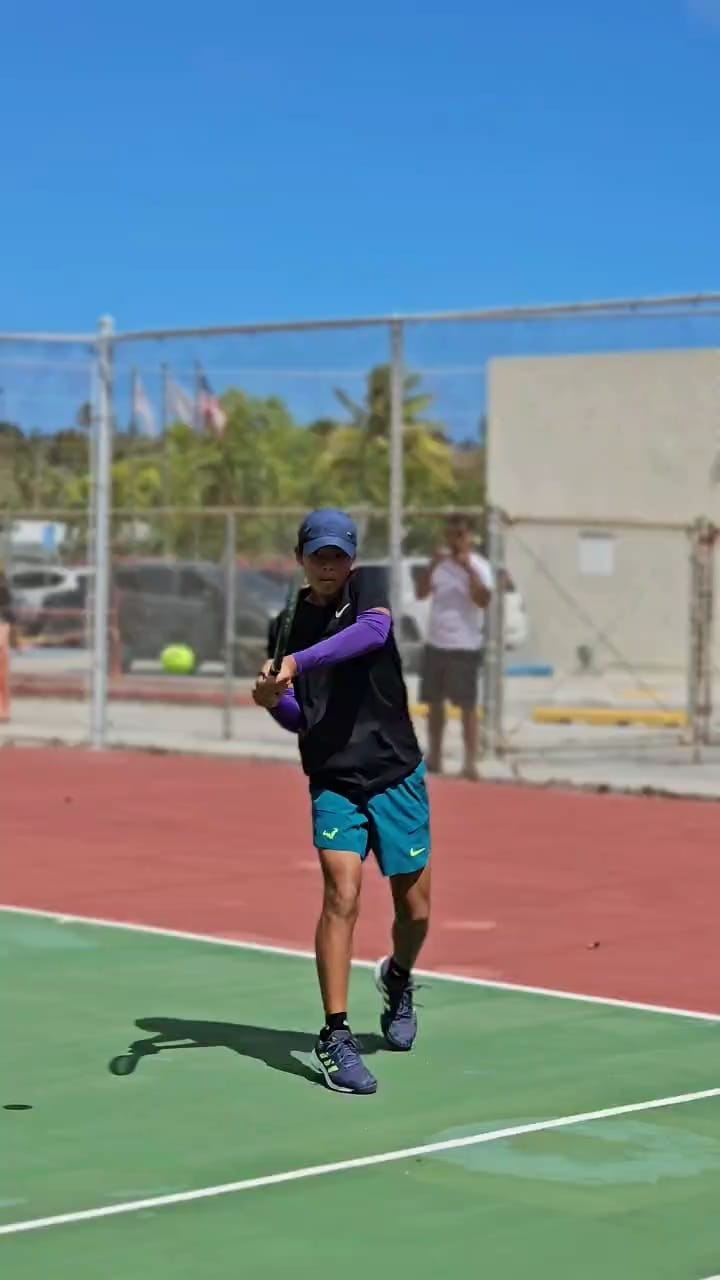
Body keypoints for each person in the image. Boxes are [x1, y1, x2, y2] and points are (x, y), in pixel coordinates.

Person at [252, 509, 431, 1096]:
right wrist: (271, 699)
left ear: (351, 559)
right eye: (317, 555)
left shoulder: (369, 590)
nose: (328, 565)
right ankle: (336, 1034)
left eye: (337, 555)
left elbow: (372, 635)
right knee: (341, 892)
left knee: (416, 910)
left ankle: (398, 977)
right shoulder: (284, 623)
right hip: (333, 777)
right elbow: (303, 716)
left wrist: (298, 662)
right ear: (300, 557)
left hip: (394, 771)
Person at [415, 514, 493, 780]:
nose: (455, 540)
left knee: (467, 706)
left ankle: (470, 761)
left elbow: (483, 600)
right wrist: (431, 565)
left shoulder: (480, 566)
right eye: (450, 535)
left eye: (460, 534)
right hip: (437, 642)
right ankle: (435, 755)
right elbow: (421, 593)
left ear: (470, 537)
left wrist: (467, 568)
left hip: (465, 645)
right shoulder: (440, 565)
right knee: (434, 704)